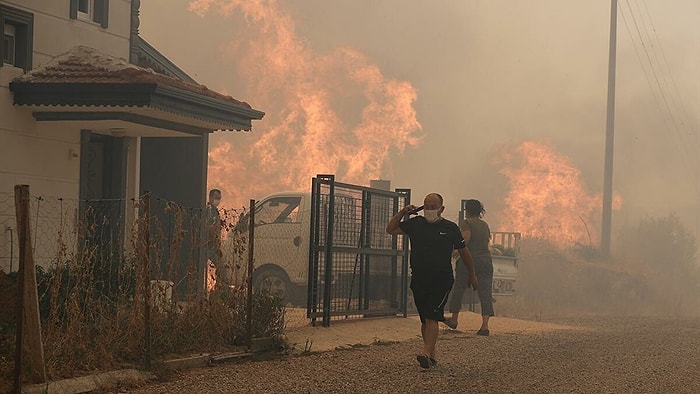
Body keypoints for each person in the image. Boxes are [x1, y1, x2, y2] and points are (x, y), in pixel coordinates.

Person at [386, 193, 478, 369]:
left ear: (441, 209)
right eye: (426, 206)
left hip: (442, 279)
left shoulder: (450, 228)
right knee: (425, 320)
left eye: (433, 206)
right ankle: (432, 356)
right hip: (420, 278)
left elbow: (464, 252)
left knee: (432, 316)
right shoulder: (415, 224)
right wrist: (403, 212)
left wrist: (472, 274)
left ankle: (425, 353)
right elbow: (391, 229)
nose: (429, 210)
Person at [444, 199, 494, 336]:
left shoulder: (467, 223)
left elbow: (465, 239)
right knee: (485, 292)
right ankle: (484, 326)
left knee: (458, 289)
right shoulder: (484, 224)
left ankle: (454, 320)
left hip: (469, 261)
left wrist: (457, 250)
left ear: (468, 210)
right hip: (486, 261)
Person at [206, 189, 223, 290]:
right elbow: (207, 226)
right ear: (210, 197)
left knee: (220, 267)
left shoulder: (215, 211)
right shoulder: (208, 210)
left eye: (219, 198)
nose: (218, 200)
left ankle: (217, 289)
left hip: (214, 244)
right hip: (208, 243)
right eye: (216, 198)